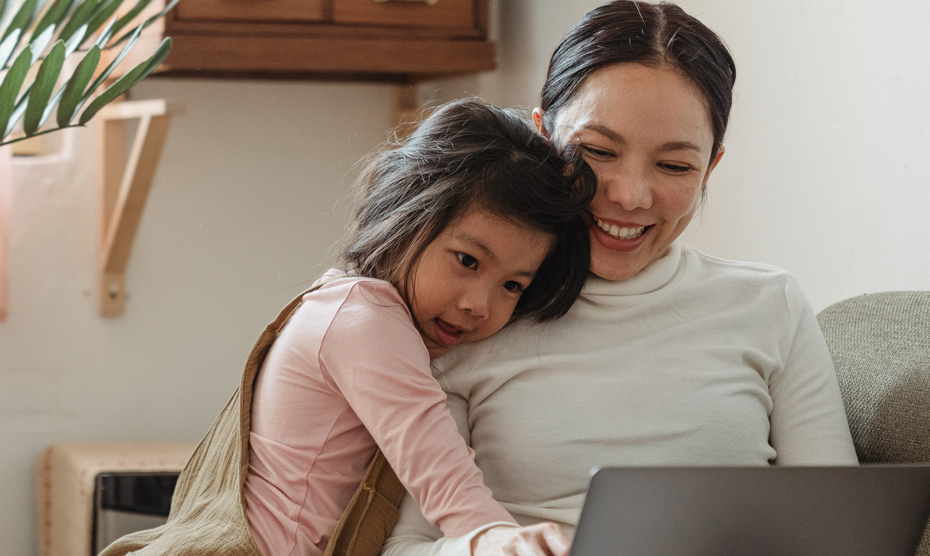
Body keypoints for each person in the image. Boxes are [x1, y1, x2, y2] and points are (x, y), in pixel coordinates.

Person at [381, 3, 859, 556]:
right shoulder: (475, 313)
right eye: (598, 152)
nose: (630, 196)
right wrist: (486, 550)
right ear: (542, 138)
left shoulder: (769, 304)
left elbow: (841, 530)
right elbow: (405, 547)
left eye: (675, 166)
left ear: (710, 168)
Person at [97, 100, 595, 556]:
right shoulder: (366, 322)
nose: (478, 304)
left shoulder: (344, 306)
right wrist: (506, 541)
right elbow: (442, 477)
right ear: (407, 216)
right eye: (467, 260)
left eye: (512, 286)